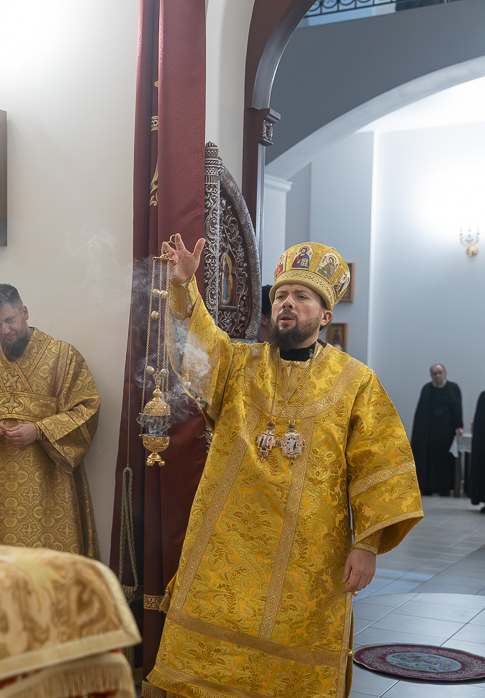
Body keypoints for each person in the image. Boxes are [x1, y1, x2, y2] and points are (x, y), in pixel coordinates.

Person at [148, 237, 422, 698]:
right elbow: (199, 350)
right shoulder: (240, 365)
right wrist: (183, 286)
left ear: (325, 315)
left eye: (301, 296)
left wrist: (367, 545)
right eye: (280, 296)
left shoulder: (357, 382)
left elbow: (381, 464)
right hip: (229, 544)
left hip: (310, 554)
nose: (287, 303)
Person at [0, 284, 100, 557]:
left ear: (24, 312)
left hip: (50, 483)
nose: (5, 330)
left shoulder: (64, 357)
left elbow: (86, 408)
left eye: (10, 320)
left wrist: (39, 430)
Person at [411, 363, 463, 496]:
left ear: (445, 373)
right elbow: (421, 412)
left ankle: (444, 487)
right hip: (429, 432)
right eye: (435, 373)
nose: (438, 376)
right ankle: (427, 486)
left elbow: (457, 408)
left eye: (440, 373)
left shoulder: (453, 388)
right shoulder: (427, 389)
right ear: (431, 375)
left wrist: (459, 426)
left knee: (445, 460)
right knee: (428, 460)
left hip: (447, 432)